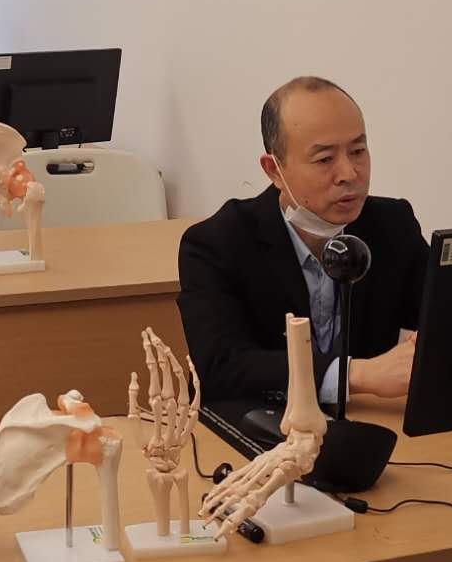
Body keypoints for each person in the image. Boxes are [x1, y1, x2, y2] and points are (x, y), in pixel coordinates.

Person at [178, 76, 428, 406]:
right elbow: (222, 367)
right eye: (325, 159)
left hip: (366, 419)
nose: (349, 174)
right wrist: (355, 375)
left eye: (358, 151)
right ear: (274, 170)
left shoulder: (392, 225)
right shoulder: (217, 243)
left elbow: (443, 318)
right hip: (261, 424)